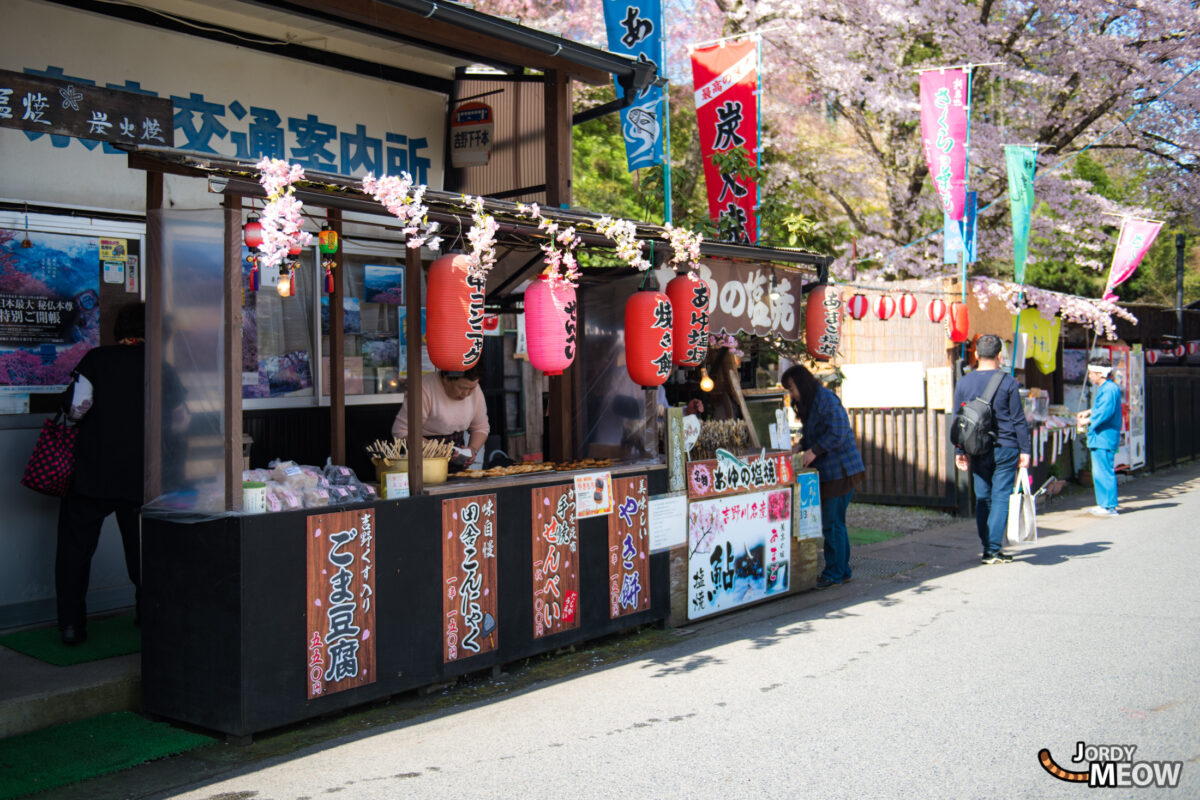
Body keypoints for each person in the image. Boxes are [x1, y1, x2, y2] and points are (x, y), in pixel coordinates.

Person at [56, 303, 147, 645]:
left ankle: (71, 625)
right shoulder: (161, 365)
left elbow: (77, 409)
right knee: (143, 551)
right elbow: (180, 417)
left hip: (93, 473)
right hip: (142, 476)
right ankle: (147, 613)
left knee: (74, 551)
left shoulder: (97, 359)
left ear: (119, 330)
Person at [782, 364, 865, 588]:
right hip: (834, 470)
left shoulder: (826, 399)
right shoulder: (813, 401)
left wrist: (813, 451)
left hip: (841, 470)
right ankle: (842, 570)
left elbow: (838, 432)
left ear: (801, 383)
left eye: (791, 388)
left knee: (832, 523)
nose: (792, 394)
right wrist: (800, 446)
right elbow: (814, 434)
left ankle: (834, 573)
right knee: (836, 522)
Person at [952, 334, 1032, 564]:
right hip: (1006, 446)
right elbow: (1018, 419)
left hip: (976, 447)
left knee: (983, 497)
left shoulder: (964, 382)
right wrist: (1024, 450)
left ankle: (987, 546)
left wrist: (960, 451)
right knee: (1000, 497)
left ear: (976, 354)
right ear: (1000, 356)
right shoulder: (1007, 382)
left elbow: (960, 420)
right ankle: (993, 549)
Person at [392, 366, 490, 469]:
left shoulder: (475, 390)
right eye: (462, 388)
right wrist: (438, 449)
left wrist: (472, 450)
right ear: (446, 379)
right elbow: (401, 431)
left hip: (456, 456)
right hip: (423, 457)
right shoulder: (424, 388)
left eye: (472, 388)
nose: (467, 393)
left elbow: (480, 427)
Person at [1077, 358, 1122, 517]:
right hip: (1102, 436)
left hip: (1105, 436)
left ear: (1099, 373)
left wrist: (1087, 419)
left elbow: (1105, 412)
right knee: (1099, 472)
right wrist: (1089, 412)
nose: (1089, 376)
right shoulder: (1108, 387)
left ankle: (1109, 506)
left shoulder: (1109, 389)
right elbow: (1101, 408)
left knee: (1103, 471)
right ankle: (1104, 504)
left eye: (1091, 373)